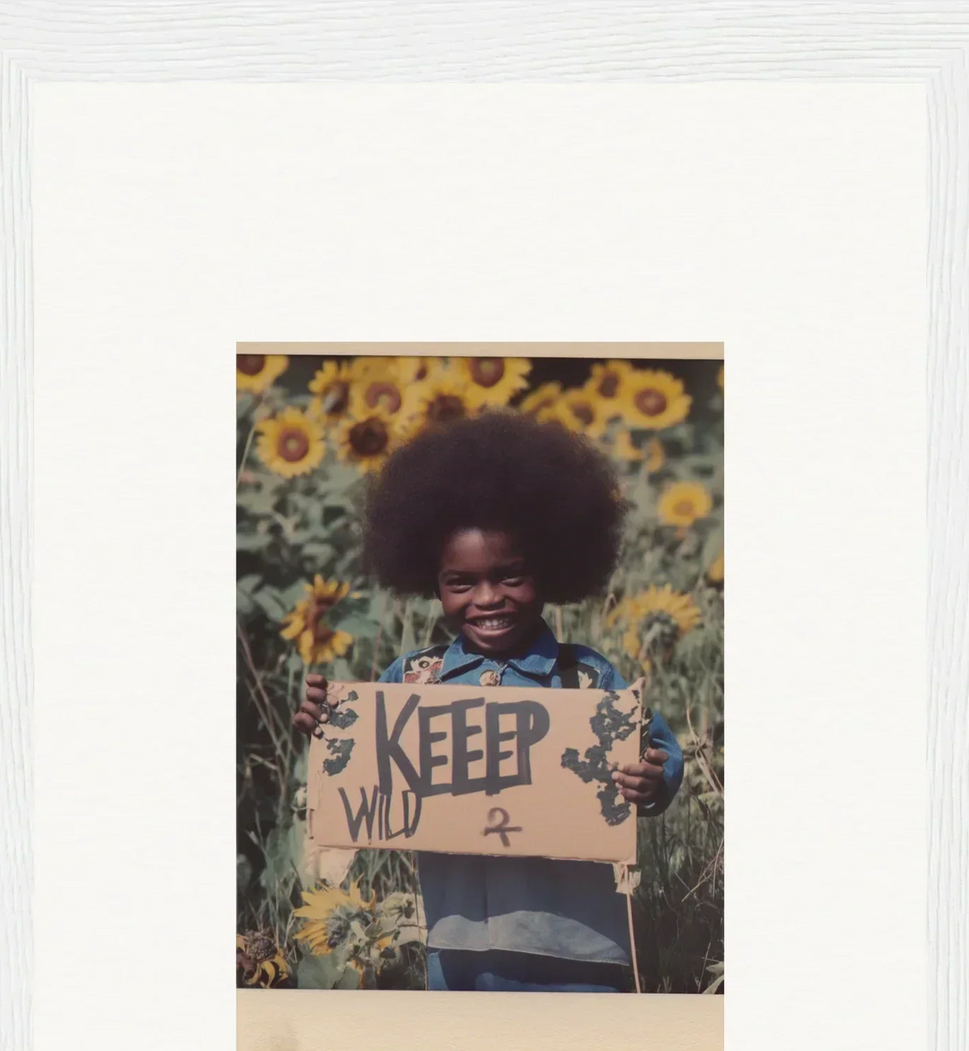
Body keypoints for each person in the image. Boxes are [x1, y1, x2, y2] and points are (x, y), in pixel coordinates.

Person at [293, 409, 684, 991]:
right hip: (457, 947)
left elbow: (657, 755)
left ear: (549, 571)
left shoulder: (586, 678)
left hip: (580, 949)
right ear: (432, 584)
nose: (488, 598)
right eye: (462, 583)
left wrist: (651, 780)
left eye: (510, 576)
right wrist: (330, 725)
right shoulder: (413, 680)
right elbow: (363, 760)